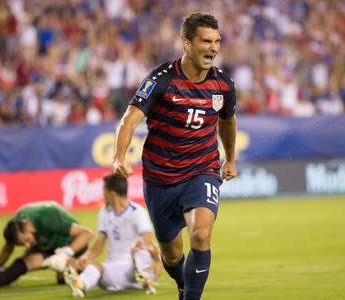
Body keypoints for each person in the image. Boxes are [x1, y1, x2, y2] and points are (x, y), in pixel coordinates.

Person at [112, 12, 238, 300]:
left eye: (217, 41)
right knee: (171, 255)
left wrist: (229, 158)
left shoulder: (224, 85)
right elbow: (129, 120)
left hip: (202, 170)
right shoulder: (161, 80)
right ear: (186, 43)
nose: (213, 48)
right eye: (206, 41)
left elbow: (228, 121)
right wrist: (120, 156)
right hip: (161, 179)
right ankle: (183, 286)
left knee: (201, 235)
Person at [63, 174, 162, 297]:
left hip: (134, 268)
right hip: (114, 269)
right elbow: (99, 245)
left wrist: (149, 254)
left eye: (104, 191)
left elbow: (149, 242)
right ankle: (79, 285)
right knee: (96, 266)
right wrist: (86, 257)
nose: (103, 195)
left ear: (112, 194)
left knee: (141, 248)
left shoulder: (137, 212)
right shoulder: (104, 212)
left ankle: (146, 278)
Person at [0, 201, 93, 290]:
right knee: (26, 261)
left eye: (26, 240)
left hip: (72, 244)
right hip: (49, 246)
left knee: (67, 278)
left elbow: (86, 234)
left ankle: (84, 270)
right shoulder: (15, 226)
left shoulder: (47, 216)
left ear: (28, 225)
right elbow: (8, 249)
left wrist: (65, 253)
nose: (27, 245)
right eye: (22, 243)